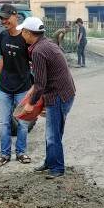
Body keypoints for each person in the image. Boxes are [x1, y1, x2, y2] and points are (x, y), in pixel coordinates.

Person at [18, 17, 76, 179]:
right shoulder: (47, 43)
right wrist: (35, 92)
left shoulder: (38, 51)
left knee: (53, 134)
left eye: (23, 31)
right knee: (52, 132)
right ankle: (50, 162)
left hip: (58, 95)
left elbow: (41, 83)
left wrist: (31, 104)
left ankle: (57, 168)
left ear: (29, 33)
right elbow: (42, 80)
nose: (22, 34)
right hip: (65, 93)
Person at [0, 4, 32, 167]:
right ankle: (5, 154)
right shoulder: (2, 36)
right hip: (5, 87)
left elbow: (33, 60)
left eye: (7, 17)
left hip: (22, 87)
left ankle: (21, 152)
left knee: (22, 122)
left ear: (16, 17)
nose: (4, 21)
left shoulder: (25, 37)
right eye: (2, 18)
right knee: (4, 122)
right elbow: (2, 59)